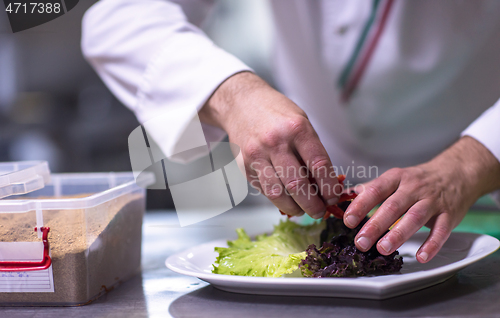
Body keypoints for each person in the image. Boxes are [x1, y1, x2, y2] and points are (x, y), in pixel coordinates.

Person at [81, 0, 500, 264]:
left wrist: (469, 165)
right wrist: (235, 96)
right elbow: (119, 16)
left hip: (478, 189)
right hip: (310, 193)